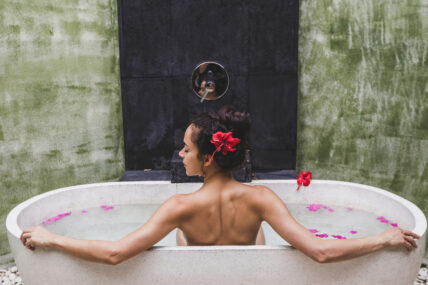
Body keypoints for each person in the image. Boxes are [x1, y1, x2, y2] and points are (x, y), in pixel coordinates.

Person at [20, 106, 420, 265]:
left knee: (181, 237)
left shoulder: (179, 207)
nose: (181, 154)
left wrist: (50, 237)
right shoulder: (262, 198)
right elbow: (320, 250)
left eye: (186, 148)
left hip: (198, 271)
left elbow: (115, 253)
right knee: (259, 230)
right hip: (245, 270)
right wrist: (382, 238)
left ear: (209, 157)